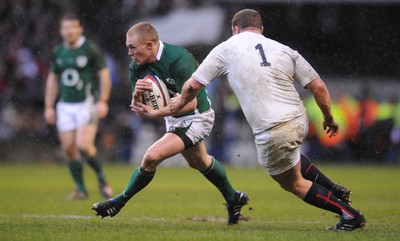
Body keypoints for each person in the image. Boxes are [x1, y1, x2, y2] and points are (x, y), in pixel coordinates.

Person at [167, 9, 366, 231]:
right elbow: (317, 86)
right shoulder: (285, 50)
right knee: (291, 159)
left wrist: (180, 102)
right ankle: (333, 188)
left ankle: (350, 215)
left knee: (292, 182)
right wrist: (329, 117)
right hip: (298, 118)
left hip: (272, 128)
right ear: (261, 29)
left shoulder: (226, 48)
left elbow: (193, 85)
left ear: (235, 29)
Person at [92, 22, 249, 225]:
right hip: (173, 118)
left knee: (151, 157)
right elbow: (137, 106)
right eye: (128, 47)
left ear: (149, 45)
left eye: (132, 47)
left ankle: (118, 202)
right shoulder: (136, 67)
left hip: (197, 117)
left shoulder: (178, 59)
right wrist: (137, 96)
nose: (129, 52)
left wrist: (156, 114)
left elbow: (190, 104)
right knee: (199, 162)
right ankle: (233, 198)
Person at [44, 13, 113, 200]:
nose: (69, 31)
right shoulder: (59, 51)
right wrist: (49, 106)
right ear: (61, 30)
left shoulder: (90, 49)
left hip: (86, 103)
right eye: (66, 27)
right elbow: (53, 79)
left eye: (73, 27)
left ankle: (102, 180)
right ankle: (80, 189)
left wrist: (103, 101)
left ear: (80, 28)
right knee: (68, 149)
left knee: (84, 145)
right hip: (65, 106)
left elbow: (104, 76)